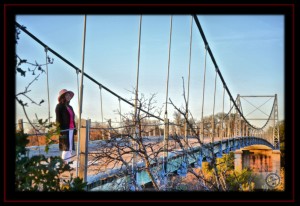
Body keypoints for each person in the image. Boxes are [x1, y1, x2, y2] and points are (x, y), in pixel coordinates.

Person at [55, 89, 77, 164]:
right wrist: (59, 130)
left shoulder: (70, 107)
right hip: (64, 130)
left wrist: (75, 128)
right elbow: (58, 119)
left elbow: (72, 118)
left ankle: (68, 164)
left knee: (70, 148)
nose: (68, 96)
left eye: (69, 95)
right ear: (63, 97)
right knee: (66, 148)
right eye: (66, 95)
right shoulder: (59, 106)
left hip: (71, 129)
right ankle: (63, 164)